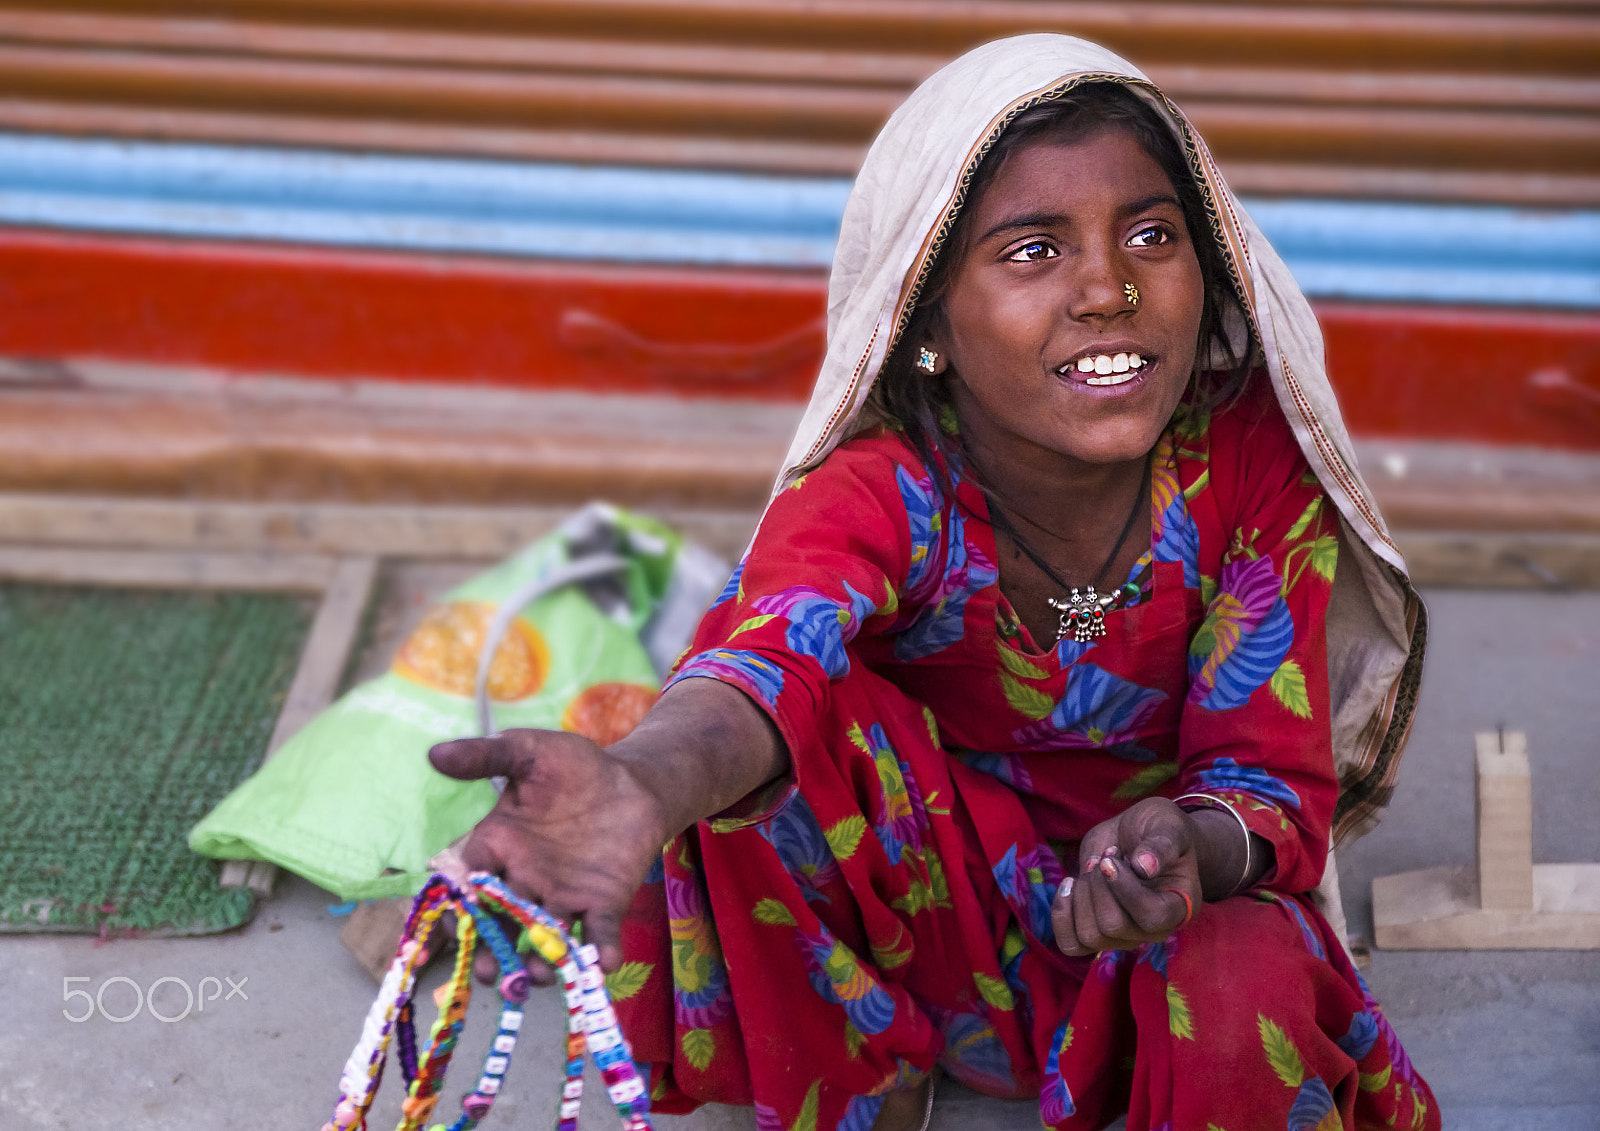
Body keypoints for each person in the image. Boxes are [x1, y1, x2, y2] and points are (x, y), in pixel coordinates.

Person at [429, 34, 1439, 1131]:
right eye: (1032, 251)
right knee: (780, 731)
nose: (1109, 288)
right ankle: (868, 1082)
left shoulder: (1245, 457)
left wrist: (1182, 847)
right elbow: (767, 653)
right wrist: (649, 783)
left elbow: (1267, 788)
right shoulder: (883, 488)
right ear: (927, 328)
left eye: (1153, 234)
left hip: (1163, 916)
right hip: (930, 932)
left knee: (1247, 968)